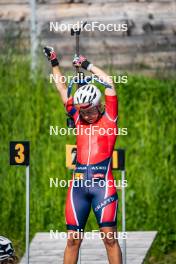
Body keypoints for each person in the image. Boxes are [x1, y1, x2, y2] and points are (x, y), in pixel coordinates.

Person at [43, 46, 122, 264]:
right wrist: (54, 62)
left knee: (110, 239)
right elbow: (61, 88)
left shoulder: (110, 120)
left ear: (100, 106)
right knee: (72, 240)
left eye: (89, 110)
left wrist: (87, 65)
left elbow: (109, 83)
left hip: (102, 186)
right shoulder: (77, 119)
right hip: (77, 187)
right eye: (82, 111)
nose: (85, 115)